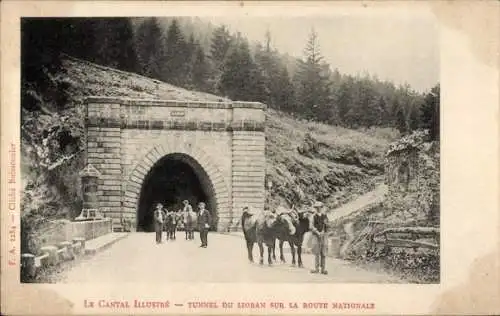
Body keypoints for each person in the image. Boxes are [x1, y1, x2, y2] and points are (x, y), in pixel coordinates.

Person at [309, 201, 329, 274]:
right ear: (315, 208)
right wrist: (317, 232)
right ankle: (316, 269)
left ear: (322, 208)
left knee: (323, 253)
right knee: (317, 253)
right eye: (316, 208)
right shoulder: (313, 216)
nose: (318, 209)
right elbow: (311, 226)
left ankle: (323, 269)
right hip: (316, 236)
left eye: (319, 207)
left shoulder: (325, 216)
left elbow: (327, 225)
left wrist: (323, 232)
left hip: (324, 236)